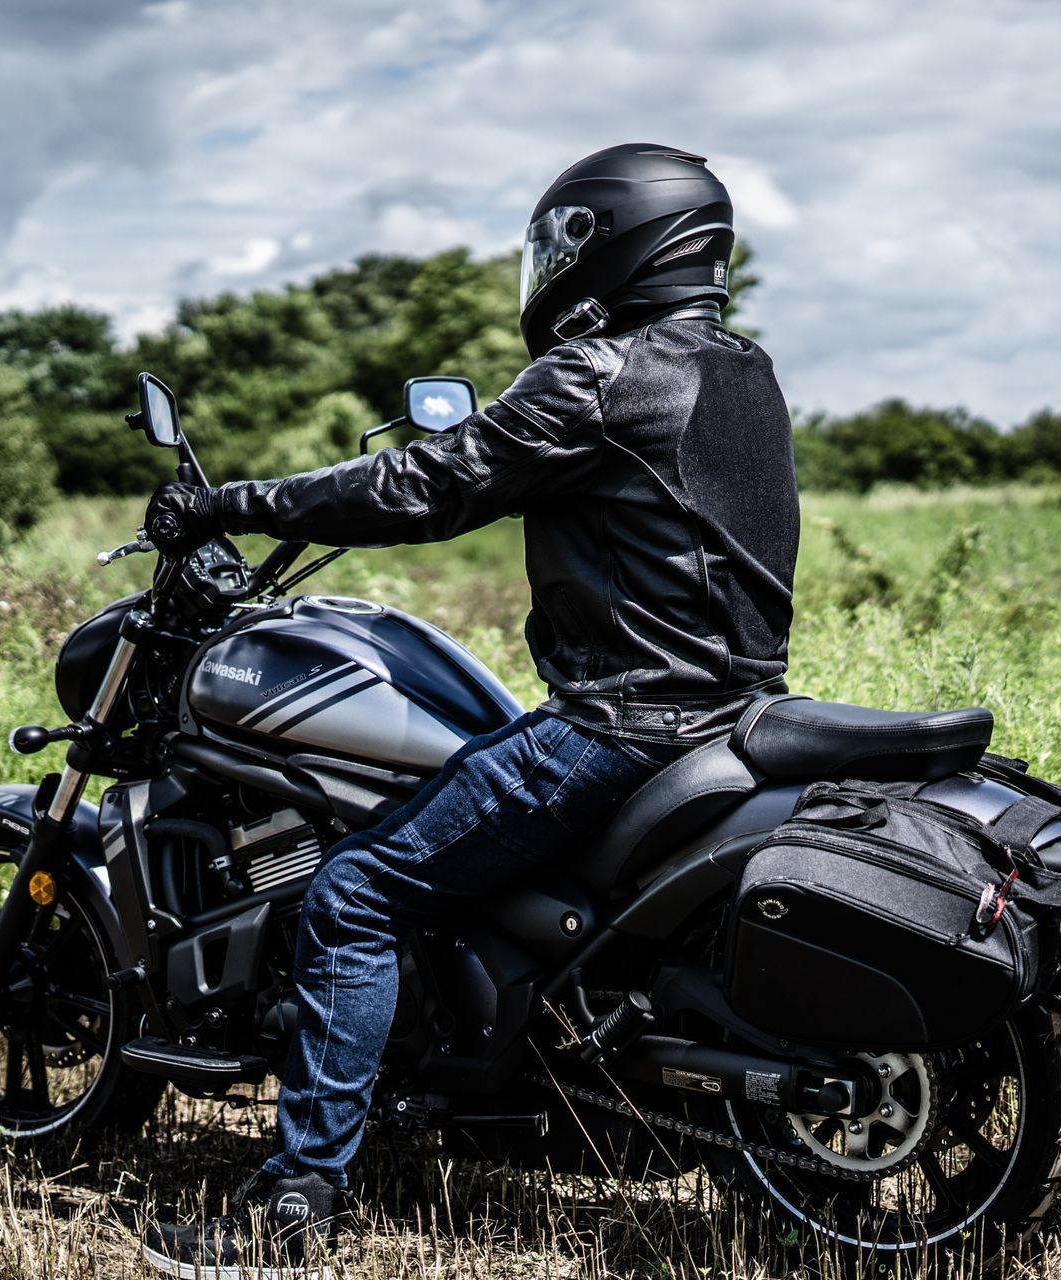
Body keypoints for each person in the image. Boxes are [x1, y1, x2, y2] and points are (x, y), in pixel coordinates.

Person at [138, 142, 800, 1278]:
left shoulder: (602, 371)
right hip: (728, 712)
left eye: (557, 246)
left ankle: (293, 1201)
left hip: (619, 721)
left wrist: (228, 504)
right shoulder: (744, 370)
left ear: (602, 245)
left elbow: (426, 483)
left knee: (352, 892)